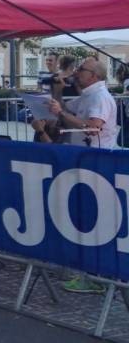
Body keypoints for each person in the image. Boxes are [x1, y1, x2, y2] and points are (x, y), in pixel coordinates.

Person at [49, 57, 119, 295]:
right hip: (85, 162)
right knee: (83, 216)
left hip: (96, 164)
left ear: (95, 75)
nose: (77, 72)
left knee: (93, 219)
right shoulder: (89, 94)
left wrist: (62, 112)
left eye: (82, 69)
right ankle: (88, 272)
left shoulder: (99, 97)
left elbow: (93, 127)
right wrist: (57, 92)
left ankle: (97, 276)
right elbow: (66, 111)